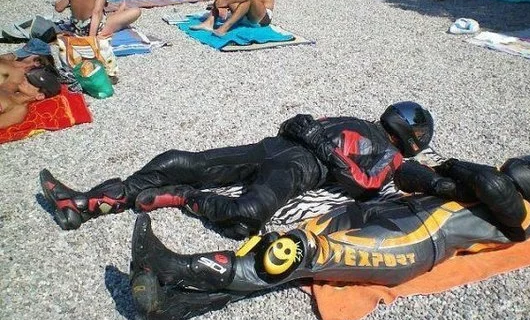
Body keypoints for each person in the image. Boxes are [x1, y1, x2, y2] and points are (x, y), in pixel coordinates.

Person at [128, 155, 530, 320]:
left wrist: (455, 170)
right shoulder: (479, 190)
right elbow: (408, 172)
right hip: (383, 214)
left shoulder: (525, 219)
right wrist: (441, 182)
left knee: (296, 253)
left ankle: (174, 268)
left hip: (414, 241)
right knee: (281, 246)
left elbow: (494, 186)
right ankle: (170, 308)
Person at [39, 101, 434, 239]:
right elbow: (299, 126)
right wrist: (299, 124)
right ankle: (86, 202)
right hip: (272, 148)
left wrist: (322, 147)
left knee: (248, 215)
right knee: (178, 160)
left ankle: (183, 197)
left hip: (300, 168)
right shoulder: (358, 121)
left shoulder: (392, 157)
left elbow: (366, 182)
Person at [0, 63, 61, 129]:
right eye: (26, 76)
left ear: (39, 96)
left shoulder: (19, 109)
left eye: (31, 81)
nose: (24, 79)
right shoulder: (8, 88)